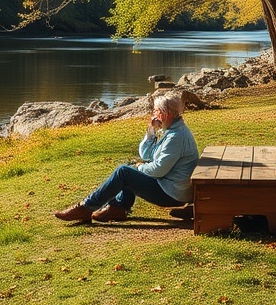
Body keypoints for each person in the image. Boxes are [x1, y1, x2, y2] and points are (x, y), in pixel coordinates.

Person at [54, 92, 198, 224]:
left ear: (166, 114)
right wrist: (151, 131)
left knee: (124, 172)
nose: (154, 114)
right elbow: (146, 154)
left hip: (172, 193)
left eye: (157, 111)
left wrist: (139, 167)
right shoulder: (172, 131)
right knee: (129, 166)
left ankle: (85, 208)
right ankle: (118, 208)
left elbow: (158, 170)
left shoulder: (175, 137)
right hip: (171, 187)